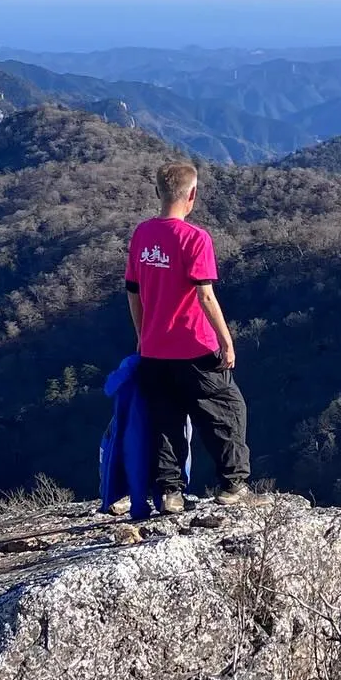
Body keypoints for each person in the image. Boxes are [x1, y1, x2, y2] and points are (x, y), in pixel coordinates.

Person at [122, 161, 253, 515]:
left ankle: (169, 492)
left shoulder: (142, 235)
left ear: (157, 193)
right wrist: (226, 341)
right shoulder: (195, 239)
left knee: (165, 420)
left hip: (154, 349)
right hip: (194, 347)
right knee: (225, 411)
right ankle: (232, 483)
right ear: (192, 194)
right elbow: (205, 295)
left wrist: (142, 335)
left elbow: (133, 291)